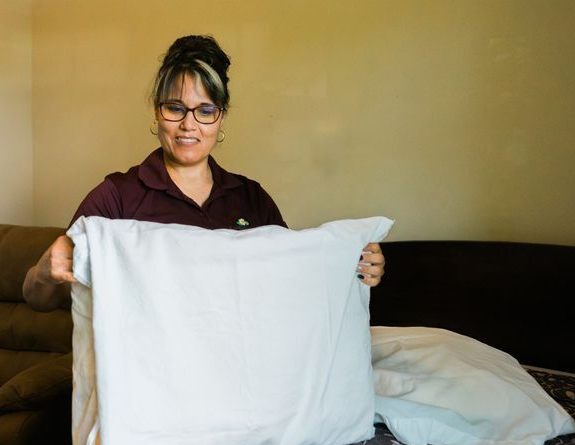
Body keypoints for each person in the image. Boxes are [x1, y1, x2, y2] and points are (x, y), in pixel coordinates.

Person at [23, 35, 385, 312]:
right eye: (175, 108)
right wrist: (44, 269)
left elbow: (293, 281)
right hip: (149, 382)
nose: (188, 126)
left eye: (205, 110)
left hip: (236, 375)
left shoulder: (251, 198)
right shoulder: (117, 195)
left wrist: (354, 266)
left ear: (221, 117)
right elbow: (36, 297)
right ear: (156, 112)